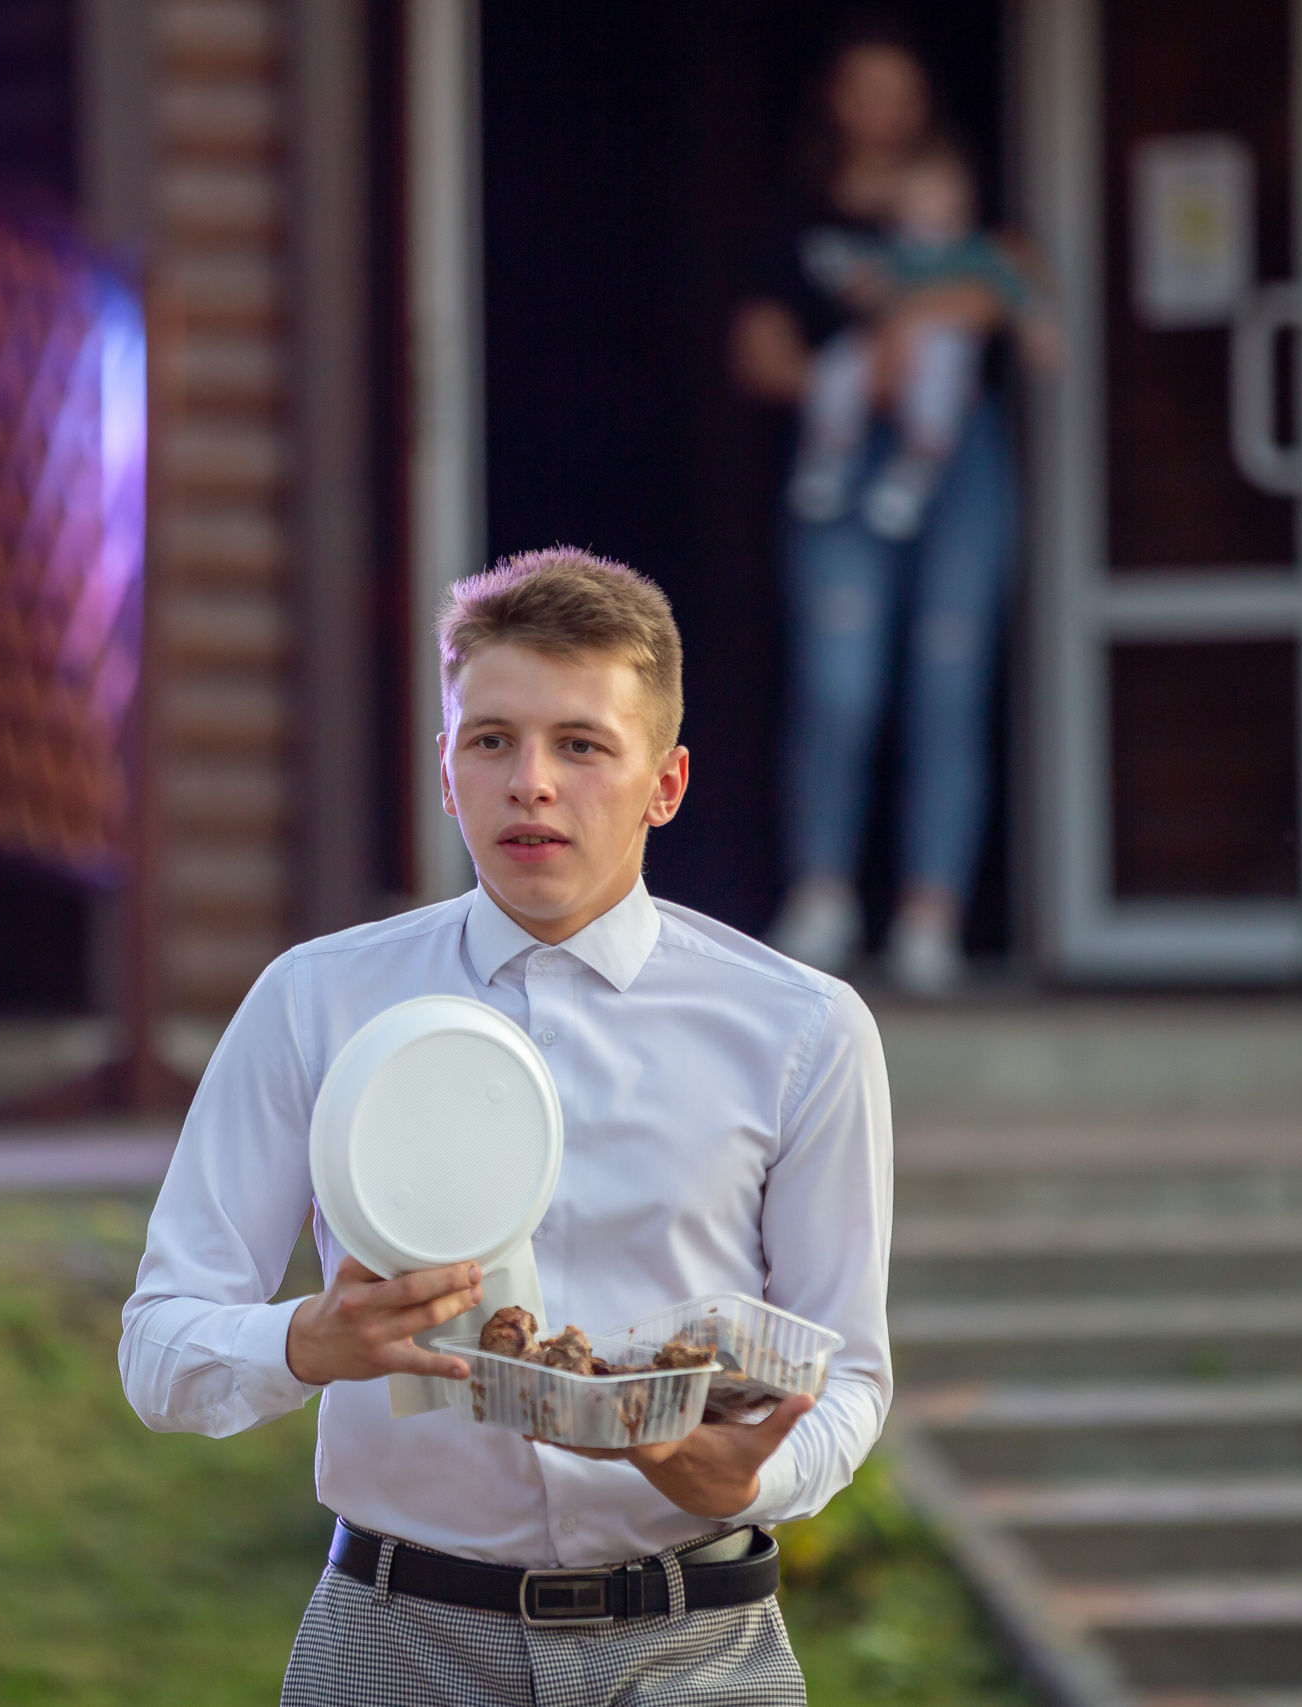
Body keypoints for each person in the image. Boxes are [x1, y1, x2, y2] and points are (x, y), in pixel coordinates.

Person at [121, 548, 893, 1706]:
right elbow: (157, 1349)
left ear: (665, 784)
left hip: (697, 1648)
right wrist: (303, 1345)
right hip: (394, 1642)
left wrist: (741, 1478)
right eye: (490, 740)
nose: (530, 782)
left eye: (581, 745)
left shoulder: (801, 1029)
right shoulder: (315, 999)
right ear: (445, 770)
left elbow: (849, 1377)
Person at [736, 27, 1057, 995]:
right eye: (861, 88)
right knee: (839, 684)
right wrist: (850, 376)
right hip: (842, 453)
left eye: (898, 90)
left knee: (947, 682)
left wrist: (911, 317)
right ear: (832, 99)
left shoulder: (972, 196)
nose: (880, 108)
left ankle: (931, 914)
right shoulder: (792, 214)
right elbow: (757, 352)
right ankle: (823, 897)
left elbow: (1023, 290)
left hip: (959, 464)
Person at [787, 147, 1051, 541]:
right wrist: (844, 272)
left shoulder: (975, 250)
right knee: (838, 365)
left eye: (937, 195)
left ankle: (912, 475)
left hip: (937, 359)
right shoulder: (893, 250)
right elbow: (861, 278)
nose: (926, 207)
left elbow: (1011, 286)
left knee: (940, 374)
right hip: (880, 365)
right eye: (916, 196)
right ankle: (828, 459)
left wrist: (1037, 327)